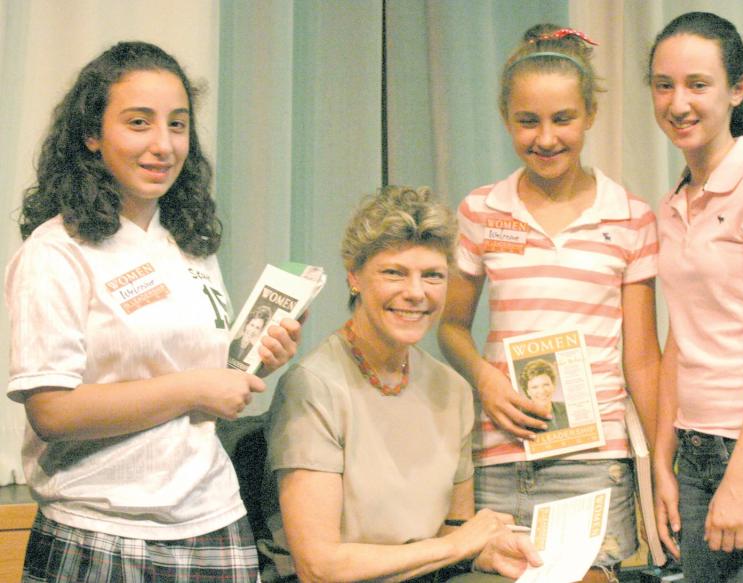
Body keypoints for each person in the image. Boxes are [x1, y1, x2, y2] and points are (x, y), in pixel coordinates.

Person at [5, 41, 301, 582]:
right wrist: (194, 388)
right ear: (92, 135)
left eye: (178, 125)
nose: (163, 145)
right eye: (139, 123)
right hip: (101, 529)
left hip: (214, 521)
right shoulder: (55, 252)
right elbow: (52, 412)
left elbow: (200, 382)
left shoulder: (188, 242)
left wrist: (255, 362)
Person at [437, 24, 661, 583]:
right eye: (527, 121)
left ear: (589, 115)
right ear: (506, 118)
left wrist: (663, 465)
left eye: (563, 119)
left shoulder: (631, 217)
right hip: (497, 458)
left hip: (594, 460)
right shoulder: (481, 210)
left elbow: (643, 359)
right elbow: (451, 328)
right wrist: (486, 381)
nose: (546, 137)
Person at [267, 186, 541, 582]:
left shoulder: (453, 389)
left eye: (432, 276)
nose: (415, 293)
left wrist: (487, 552)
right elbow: (319, 566)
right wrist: (458, 546)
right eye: (394, 273)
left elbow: (452, 531)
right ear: (354, 277)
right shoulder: (313, 386)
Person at [647, 12, 743, 582]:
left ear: (737, 89)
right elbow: (677, 342)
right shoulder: (671, 204)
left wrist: (741, 476)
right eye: (664, 85)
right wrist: (662, 462)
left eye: (697, 84)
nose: (678, 102)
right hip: (694, 451)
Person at [518, 359, 568, 431]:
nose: (542, 391)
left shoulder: (566, 408)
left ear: (553, 386)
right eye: (535, 387)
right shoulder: (523, 418)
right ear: (527, 391)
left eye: (546, 385)